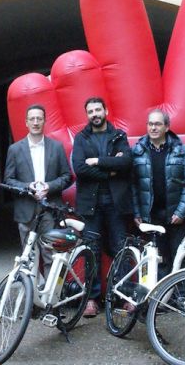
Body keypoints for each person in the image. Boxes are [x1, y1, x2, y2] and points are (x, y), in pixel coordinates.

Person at [72, 97, 132, 318]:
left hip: (115, 203)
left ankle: (125, 296)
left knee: (120, 249)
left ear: (106, 110)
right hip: (91, 205)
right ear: (86, 114)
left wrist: (97, 161)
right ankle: (91, 298)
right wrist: (110, 169)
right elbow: (79, 168)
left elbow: (126, 163)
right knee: (91, 251)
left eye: (98, 109)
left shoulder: (118, 136)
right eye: (90, 111)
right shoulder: (81, 138)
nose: (95, 113)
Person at [3, 104, 72, 273]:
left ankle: (50, 299)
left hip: (50, 209)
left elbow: (67, 176)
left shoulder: (56, 147)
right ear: (26, 122)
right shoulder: (15, 149)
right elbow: (8, 180)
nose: (35, 122)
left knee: (50, 256)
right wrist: (28, 187)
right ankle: (31, 298)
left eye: (39, 119)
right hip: (26, 211)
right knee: (28, 258)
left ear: (44, 121)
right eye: (32, 119)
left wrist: (49, 186)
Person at [132, 109, 185, 281]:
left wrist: (181, 212)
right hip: (151, 216)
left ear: (167, 127)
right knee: (158, 261)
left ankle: (181, 300)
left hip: (175, 216)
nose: (153, 127)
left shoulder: (180, 150)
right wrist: (137, 212)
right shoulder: (137, 150)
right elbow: (133, 186)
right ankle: (160, 301)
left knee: (179, 259)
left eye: (158, 124)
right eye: (150, 123)